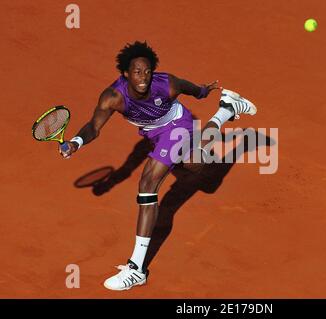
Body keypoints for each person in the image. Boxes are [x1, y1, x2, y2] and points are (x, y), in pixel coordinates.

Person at [59, 41, 257, 291]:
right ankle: (227, 109)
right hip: (153, 133)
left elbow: (189, 88)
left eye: (148, 71)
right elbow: (94, 127)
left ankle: (136, 269)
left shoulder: (166, 84)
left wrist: (202, 91)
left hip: (178, 124)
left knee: (148, 182)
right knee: (198, 167)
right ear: (125, 74)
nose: (143, 77)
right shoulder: (112, 97)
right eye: (137, 72)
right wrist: (77, 141)